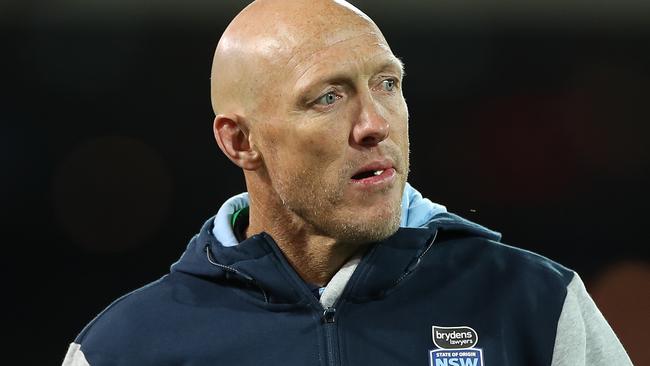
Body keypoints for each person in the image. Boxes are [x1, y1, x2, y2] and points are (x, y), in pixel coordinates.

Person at [62, 1, 633, 365]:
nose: (375, 124)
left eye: (387, 83)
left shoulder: (537, 307)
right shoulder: (123, 348)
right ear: (240, 141)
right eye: (328, 97)